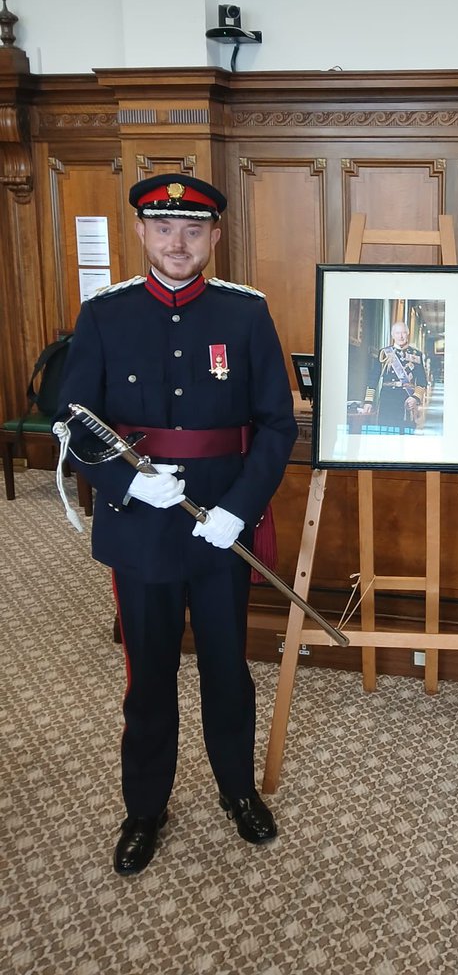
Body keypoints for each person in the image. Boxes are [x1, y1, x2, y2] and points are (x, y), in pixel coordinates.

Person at [56, 173, 298, 876]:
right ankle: (145, 808)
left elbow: (277, 425)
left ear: (215, 237)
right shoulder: (105, 314)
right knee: (149, 675)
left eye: (194, 230)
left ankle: (236, 791)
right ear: (141, 232)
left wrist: (238, 509)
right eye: (164, 228)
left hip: (221, 523)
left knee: (228, 669)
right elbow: (73, 422)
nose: (178, 243)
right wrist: (128, 481)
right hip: (140, 527)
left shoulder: (245, 314)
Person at [360, 320, 426, 433]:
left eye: (404, 333)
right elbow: (373, 378)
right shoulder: (384, 353)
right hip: (387, 399)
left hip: (407, 399)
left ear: (408, 333)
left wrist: (415, 398)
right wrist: (368, 401)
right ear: (392, 335)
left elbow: (422, 381)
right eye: (397, 333)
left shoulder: (416, 354)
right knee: (386, 432)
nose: (401, 336)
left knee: (405, 434)